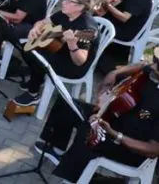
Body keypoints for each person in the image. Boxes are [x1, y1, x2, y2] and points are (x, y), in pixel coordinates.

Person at [33, 53, 159, 183]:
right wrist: (103, 96)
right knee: (66, 105)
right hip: (113, 118)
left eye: (158, 65)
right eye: (155, 59)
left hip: (128, 147)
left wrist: (116, 135)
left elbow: (153, 150)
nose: (153, 65)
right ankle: (58, 151)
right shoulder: (148, 71)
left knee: (88, 132)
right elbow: (118, 73)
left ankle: (73, 177)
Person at [13, 0, 98, 106]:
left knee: (38, 57)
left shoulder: (87, 29)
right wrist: (35, 28)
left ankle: (33, 94)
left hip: (73, 66)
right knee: (27, 48)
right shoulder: (65, 13)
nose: (63, 2)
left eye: (69, 1)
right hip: (61, 50)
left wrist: (72, 43)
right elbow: (43, 22)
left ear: (80, 6)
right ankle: (37, 78)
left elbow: (80, 61)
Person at [95, 0, 152, 74]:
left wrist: (108, 6)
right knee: (97, 15)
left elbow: (124, 18)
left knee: (97, 23)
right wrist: (105, 2)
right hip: (126, 24)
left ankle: (93, 53)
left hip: (128, 30)